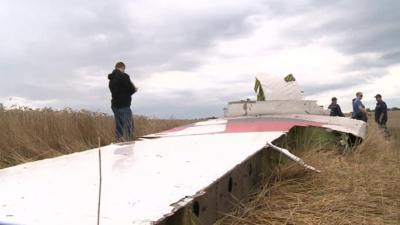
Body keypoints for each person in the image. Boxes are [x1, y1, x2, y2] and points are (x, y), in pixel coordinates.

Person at [108, 62, 138, 141]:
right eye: (124, 69)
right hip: (124, 104)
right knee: (129, 126)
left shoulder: (111, 79)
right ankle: (129, 143)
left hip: (114, 105)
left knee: (119, 126)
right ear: (123, 67)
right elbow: (131, 89)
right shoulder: (124, 76)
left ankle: (119, 142)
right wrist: (134, 89)